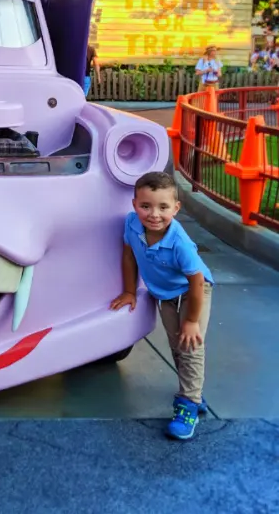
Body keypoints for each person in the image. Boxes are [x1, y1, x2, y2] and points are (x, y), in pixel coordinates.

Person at [110, 171, 214, 441]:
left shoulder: (179, 243)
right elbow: (128, 255)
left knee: (190, 345)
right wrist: (130, 291)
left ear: (176, 209)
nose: (154, 214)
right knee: (176, 344)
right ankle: (193, 389)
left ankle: (188, 403)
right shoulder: (132, 224)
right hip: (165, 295)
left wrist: (191, 320)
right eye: (146, 206)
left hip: (194, 292)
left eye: (163, 207)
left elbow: (197, 280)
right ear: (134, 205)